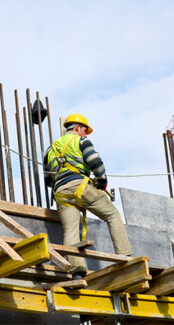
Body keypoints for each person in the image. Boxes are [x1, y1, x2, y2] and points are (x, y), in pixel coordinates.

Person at [44, 113, 132, 279]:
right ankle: (125, 257)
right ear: (77, 128)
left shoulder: (50, 149)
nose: (86, 134)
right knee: (112, 215)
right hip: (81, 186)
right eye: (85, 130)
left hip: (61, 193)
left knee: (70, 231)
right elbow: (95, 162)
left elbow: (48, 180)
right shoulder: (81, 141)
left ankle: (77, 271)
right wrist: (102, 181)